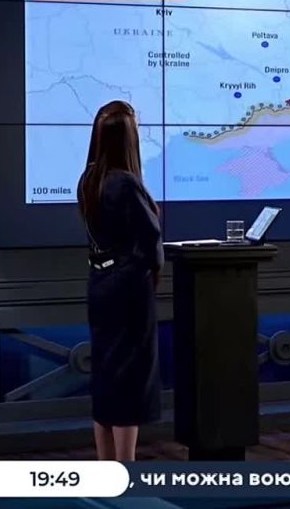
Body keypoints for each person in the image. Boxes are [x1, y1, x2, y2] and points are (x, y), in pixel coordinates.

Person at [77, 100, 163, 461]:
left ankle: (106, 467)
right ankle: (126, 471)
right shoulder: (126, 184)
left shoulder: (88, 180)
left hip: (99, 286)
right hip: (128, 291)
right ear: (128, 138)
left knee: (106, 378)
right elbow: (151, 241)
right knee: (128, 381)